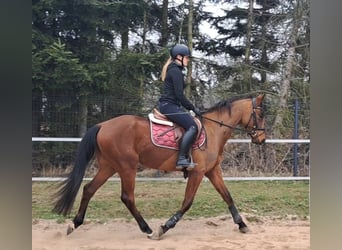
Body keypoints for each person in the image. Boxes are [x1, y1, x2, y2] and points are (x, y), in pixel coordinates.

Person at [158, 44, 201, 170]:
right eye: (187, 57)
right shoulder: (175, 72)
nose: (188, 60)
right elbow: (179, 95)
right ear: (179, 57)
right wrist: (193, 108)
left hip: (170, 105)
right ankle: (182, 158)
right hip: (169, 106)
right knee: (192, 126)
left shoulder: (174, 70)